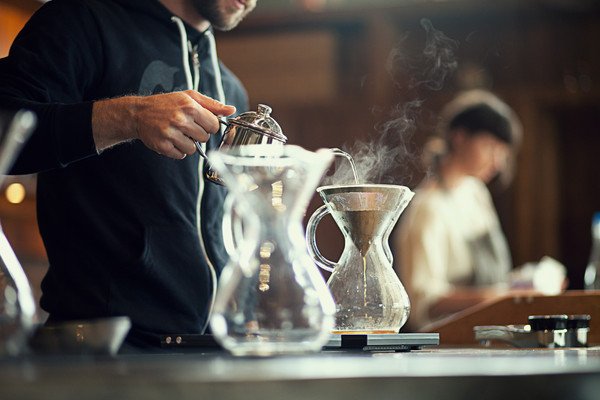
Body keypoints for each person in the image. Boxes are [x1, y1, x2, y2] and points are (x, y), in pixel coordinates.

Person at [0, 0, 257, 348]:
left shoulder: (231, 88)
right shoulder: (82, 21)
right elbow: (6, 121)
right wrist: (130, 116)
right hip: (105, 346)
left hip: (211, 347)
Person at [393, 89, 523, 331]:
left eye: (502, 153)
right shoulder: (428, 208)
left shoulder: (475, 192)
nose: (497, 163)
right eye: (490, 146)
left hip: (490, 334)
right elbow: (424, 303)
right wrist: (496, 297)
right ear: (460, 138)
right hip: (449, 345)